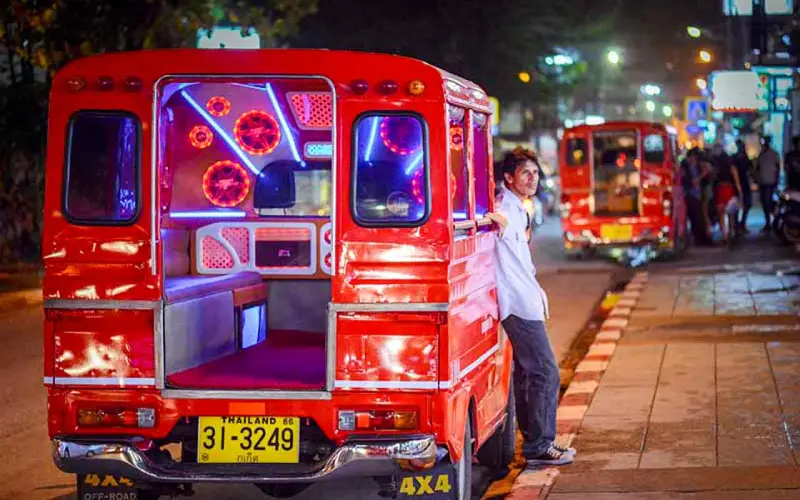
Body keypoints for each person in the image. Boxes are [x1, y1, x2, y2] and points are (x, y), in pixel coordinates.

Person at [485, 148, 575, 466]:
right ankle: (539, 444)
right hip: (518, 304)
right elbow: (496, 220)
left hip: (525, 298)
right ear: (509, 178)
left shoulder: (521, 207)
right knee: (546, 372)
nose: (533, 178)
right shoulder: (505, 206)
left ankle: (535, 444)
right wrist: (485, 219)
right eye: (526, 173)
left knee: (526, 373)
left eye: (535, 173)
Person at [710, 144, 743, 245]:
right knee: (730, 213)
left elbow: (713, 177)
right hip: (729, 189)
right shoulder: (730, 164)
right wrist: (739, 189)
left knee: (721, 213)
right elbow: (735, 177)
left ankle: (724, 234)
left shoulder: (716, 165)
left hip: (719, 189)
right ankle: (731, 232)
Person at [681, 148, 712, 245]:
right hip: (690, 194)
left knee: (699, 218)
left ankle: (701, 238)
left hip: (698, 194)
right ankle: (699, 239)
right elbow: (692, 181)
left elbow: (708, 174)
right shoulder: (685, 167)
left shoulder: (697, 166)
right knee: (696, 218)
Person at [755, 136, 781, 231]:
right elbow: (757, 167)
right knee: (764, 202)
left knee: (768, 202)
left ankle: (773, 220)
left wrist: (776, 181)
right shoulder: (761, 154)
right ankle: (768, 221)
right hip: (763, 182)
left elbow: (777, 168)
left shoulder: (773, 154)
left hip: (770, 182)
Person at [732, 139, 753, 233]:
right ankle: (739, 224)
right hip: (740, 184)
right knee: (744, 204)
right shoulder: (739, 157)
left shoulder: (740, 157)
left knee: (745, 204)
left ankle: (739, 224)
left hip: (741, 184)